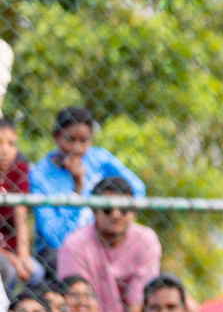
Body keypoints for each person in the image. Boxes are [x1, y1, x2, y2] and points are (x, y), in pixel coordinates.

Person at [29, 107, 146, 270]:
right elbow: (56, 238)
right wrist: (77, 189)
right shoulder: (40, 175)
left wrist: (110, 216)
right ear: (56, 137)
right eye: (70, 140)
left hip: (103, 239)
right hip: (59, 252)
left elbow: (137, 188)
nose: (77, 148)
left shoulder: (98, 158)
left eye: (84, 141)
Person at [57, 176, 161, 312]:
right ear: (94, 210)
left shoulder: (146, 240)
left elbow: (138, 302)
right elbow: (80, 303)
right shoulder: (75, 244)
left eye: (124, 209)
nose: (116, 215)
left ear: (133, 212)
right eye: (107, 209)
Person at [0, 117, 39, 293]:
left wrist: (23, 255)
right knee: (7, 269)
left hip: (12, 244)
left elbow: (20, 214)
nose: (5, 150)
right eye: (0, 143)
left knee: (36, 272)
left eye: (11, 143)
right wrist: (10, 257)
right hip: (3, 250)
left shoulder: (19, 169)